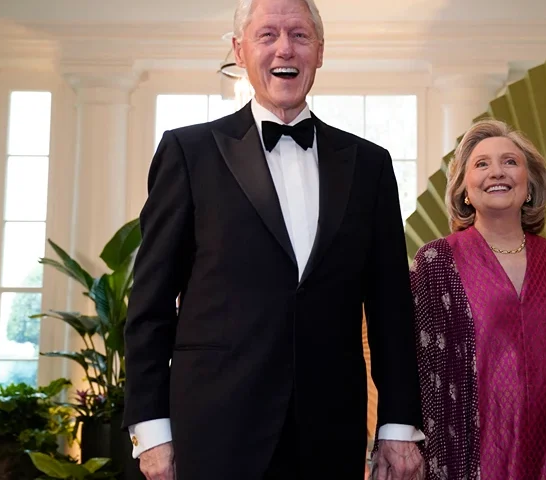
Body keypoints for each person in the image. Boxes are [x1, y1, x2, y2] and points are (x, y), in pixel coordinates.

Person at [122, 0, 425, 478]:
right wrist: (152, 431)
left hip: (330, 433)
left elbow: (390, 307)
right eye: (267, 35)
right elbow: (150, 306)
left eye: (300, 35)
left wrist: (398, 425)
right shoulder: (188, 152)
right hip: (213, 430)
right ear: (239, 51)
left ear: (320, 52)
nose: (285, 47)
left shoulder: (370, 164)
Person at [410, 119, 546, 479]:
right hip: (470, 457)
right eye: (481, 164)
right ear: (464, 188)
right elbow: (421, 366)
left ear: (530, 186)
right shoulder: (436, 262)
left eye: (510, 162)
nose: (497, 171)